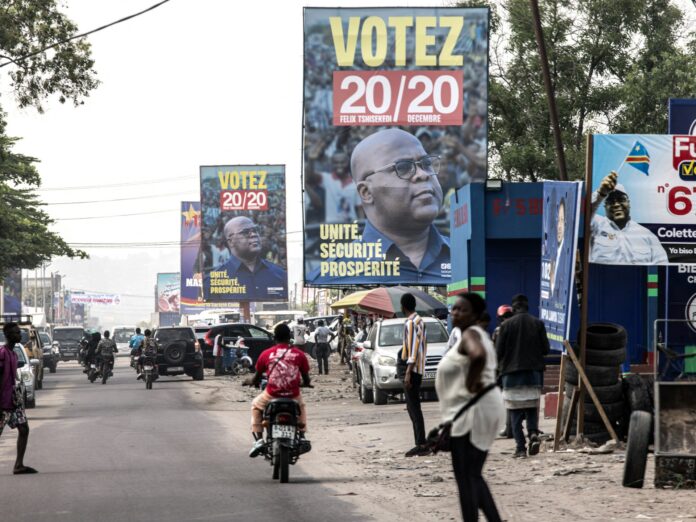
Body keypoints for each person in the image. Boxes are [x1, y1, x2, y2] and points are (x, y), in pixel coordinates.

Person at [308, 129, 450, 285]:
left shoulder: (473, 259)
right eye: (403, 167)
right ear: (366, 192)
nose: (423, 174)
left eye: (426, 164)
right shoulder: (328, 279)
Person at [436, 293, 504, 522]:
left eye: (462, 310)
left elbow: (478, 357)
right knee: (472, 474)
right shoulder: (474, 334)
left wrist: (470, 384)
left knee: (465, 476)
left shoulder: (470, 335)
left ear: (474, 314)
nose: (456, 313)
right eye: (454, 308)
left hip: (474, 412)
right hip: (479, 409)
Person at [244, 323, 311, 457]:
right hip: (293, 395)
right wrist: (306, 384)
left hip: (271, 395)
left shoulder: (266, 354)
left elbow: (256, 377)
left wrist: (250, 381)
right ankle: (302, 435)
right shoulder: (299, 354)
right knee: (301, 406)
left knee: (256, 406)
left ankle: (259, 440)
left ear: (275, 337)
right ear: (289, 337)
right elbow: (306, 378)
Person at [495, 294, 550, 458]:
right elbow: (545, 349)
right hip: (533, 375)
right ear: (527, 307)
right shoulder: (538, 323)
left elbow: (498, 352)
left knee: (515, 414)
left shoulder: (506, 326)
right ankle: (533, 433)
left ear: (514, 308)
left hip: (511, 376)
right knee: (532, 408)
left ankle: (520, 448)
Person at [590, 171, 668, 265]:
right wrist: (601, 193)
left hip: (638, 279)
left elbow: (662, 268)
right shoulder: (595, 225)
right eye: (611, 201)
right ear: (604, 206)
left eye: (621, 200)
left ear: (629, 203)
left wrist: (650, 279)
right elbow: (582, 214)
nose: (616, 204)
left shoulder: (647, 235)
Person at [203, 216, 287, 300]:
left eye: (255, 230)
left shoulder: (280, 274)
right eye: (245, 232)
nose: (254, 234)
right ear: (231, 241)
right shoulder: (212, 282)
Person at [0, 323, 37, 474]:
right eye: (16, 333)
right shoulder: (2, 353)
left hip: (13, 401)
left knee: (24, 428)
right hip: (2, 402)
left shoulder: (14, 354)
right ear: (9, 335)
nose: (19, 335)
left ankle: (19, 465)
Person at [400, 293, 429, 457]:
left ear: (403, 306)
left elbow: (413, 349)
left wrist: (408, 372)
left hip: (412, 369)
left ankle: (420, 443)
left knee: (413, 408)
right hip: (418, 368)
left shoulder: (411, 323)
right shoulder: (420, 321)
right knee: (414, 407)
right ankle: (421, 442)